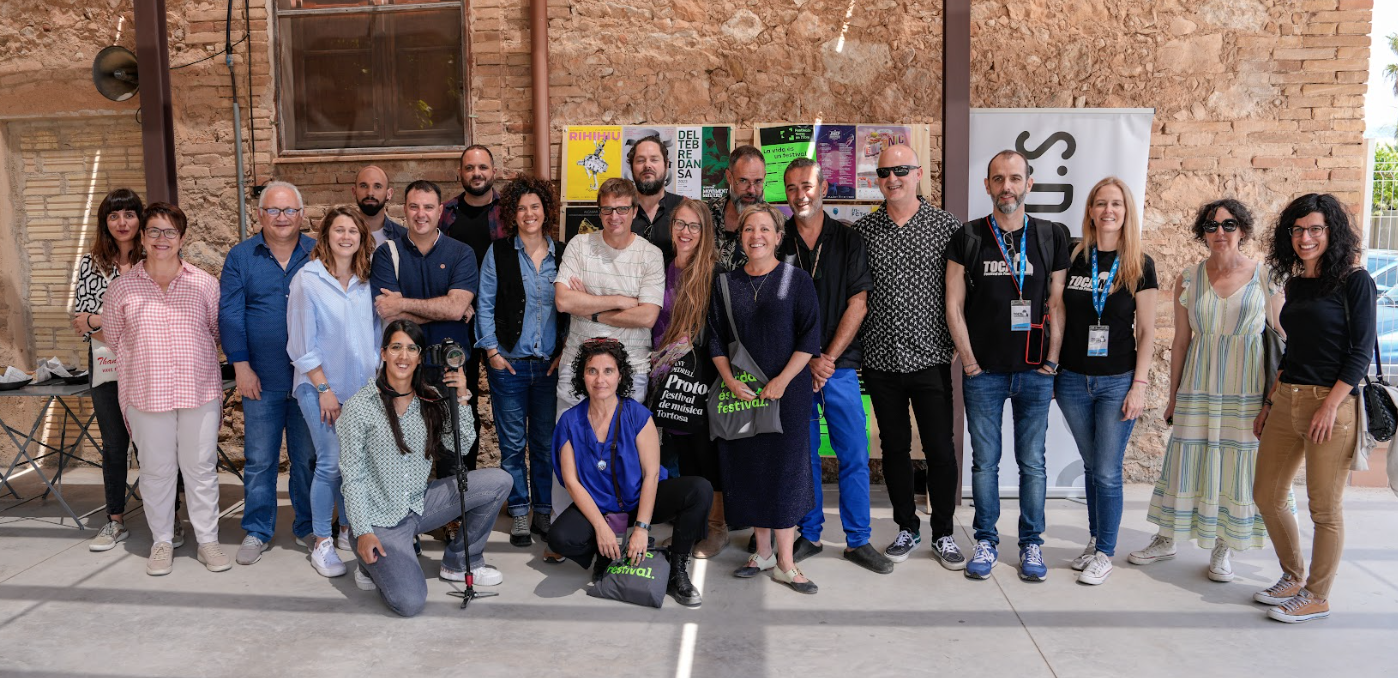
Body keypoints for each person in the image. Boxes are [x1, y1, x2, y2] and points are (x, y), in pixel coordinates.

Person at [1129, 198, 1280, 582]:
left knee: (1236, 464)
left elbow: (1282, 338)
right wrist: (1173, 396)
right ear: (1203, 233)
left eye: (1229, 225)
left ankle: (1222, 546)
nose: (1220, 232)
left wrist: (1274, 398)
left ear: (1242, 230)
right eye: (1211, 226)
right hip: (1198, 384)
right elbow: (1181, 341)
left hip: (1246, 389)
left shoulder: (1265, 277)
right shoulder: (1188, 278)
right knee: (1185, 460)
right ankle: (1167, 537)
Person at [946, 149, 1069, 582]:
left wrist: (1052, 361)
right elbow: (953, 304)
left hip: (1035, 372)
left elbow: (1057, 302)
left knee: (1032, 463)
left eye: (1015, 178)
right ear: (987, 186)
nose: (1007, 187)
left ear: (1028, 184)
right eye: (998, 179)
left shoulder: (1052, 235)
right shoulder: (968, 235)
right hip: (984, 373)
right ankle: (986, 539)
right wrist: (969, 362)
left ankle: (1032, 543)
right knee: (985, 463)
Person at [1252, 193, 1374, 623]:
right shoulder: (1296, 283)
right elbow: (1293, 350)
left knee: (1324, 507)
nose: (1306, 238)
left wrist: (1331, 406)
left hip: (1332, 404)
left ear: (1331, 232)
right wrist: (1270, 402)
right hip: (1287, 397)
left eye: (1315, 229)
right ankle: (1292, 576)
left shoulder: (1355, 281)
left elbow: (1360, 353)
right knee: (1266, 494)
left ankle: (1317, 595)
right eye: (1298, 230)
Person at [337, 320, 511, 618]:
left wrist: (462, 397)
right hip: (380, 520)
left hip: (420, 505)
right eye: (396, 347)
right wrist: (363, 532)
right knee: (410, 602)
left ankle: (459, 562)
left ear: (419, 356)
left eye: (411, 348)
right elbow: (352, 477)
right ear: (383, 353)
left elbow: (461, 446)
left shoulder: (429, 397)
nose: (403, 356)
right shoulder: (360, 406)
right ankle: (368, 563)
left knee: (499, 481)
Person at [102, 202, 229, 576]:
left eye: (170, 231)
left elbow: (216, 333)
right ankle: (161, 541)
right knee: (156, 471)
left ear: (182, 238)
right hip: (146, 392)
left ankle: (207, 540)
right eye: (154, 231)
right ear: (142, 237)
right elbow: (114, 337)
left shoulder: (204, 284)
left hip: (198, 389)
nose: (162, 239)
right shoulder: (122, 289)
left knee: (200, 468)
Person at [779, 158, 891, 574]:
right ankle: (809, 534)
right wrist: (807, 359)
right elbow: (774, 309)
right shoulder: (778, 240)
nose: (800, 194)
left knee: (854, 454)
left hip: (839, 368)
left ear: (823, 188)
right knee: (803, 455)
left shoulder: (848, 239)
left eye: (807, 185)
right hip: (795, 369)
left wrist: (825, 359)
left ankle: (857, 539)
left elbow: (858, 303)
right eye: (792, 188)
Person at [856, 145, 965, 571]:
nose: (892, 178)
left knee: (940, 448)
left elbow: (962, 292)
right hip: (880, 360)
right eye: (884, 172)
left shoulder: (947, 227)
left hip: (931, 358)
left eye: (901, 170)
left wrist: (958, 345)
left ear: (919, 173)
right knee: (894, 448)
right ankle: (906, 526)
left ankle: (943, 532)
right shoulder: (864, 231)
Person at [546, 339, 711, 607]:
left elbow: (651, 475)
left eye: (608, 371)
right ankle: (606, 554)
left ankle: (677, 569)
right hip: (600, 507)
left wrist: (642, 529)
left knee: (699, 490)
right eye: (592, 371)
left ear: (620, 375)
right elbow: (572, 482)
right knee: (559, 538)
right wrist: (601, 528)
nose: (600, 379)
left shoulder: (637, 415)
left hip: (638, 500)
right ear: (582, 376)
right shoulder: (569, 421)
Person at [711, 203, 822, 594]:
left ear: (778, 236)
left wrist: (782, 380)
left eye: (763, 229)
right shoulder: (726, 283)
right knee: (751, 468)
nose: (755, 236)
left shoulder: (797, 280)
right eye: (748, 229)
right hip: (742, 392)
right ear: (740, 237)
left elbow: (810, 337)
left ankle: (786, 563)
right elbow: (715, 338)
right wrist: (729, 380)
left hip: (787, 394)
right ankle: (762, 553)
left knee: (786, 471)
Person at [1053, 178, 1158, 586]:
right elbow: (1058, 312)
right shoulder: (1074, 256)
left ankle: (1105, 553)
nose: (1108, 210)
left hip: (1117, 381)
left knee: (1108, 471)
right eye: (1100, 203)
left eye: (1116, 204)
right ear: (1090, 211)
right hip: (1072, 380)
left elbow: (1146, 331)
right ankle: (1096, 539)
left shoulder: (1139, 264)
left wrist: (1140, 385)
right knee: (1093, 465)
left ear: (1126, 211)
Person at [220, 181, 317, 566]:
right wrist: (241, 366)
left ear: (301, 215)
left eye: (289, 210)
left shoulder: (318, 253)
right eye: (273, 210)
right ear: (260, 214)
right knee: (260, 460)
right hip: (260, 378)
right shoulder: (241, 257)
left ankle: (308, 526)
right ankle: (258, 529)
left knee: (307, 459)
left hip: (309, 379)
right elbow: (230, 314)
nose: (281, 217)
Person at [286, 206, 381, 578]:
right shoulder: (307, 280)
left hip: (361, 389)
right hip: (318, 387)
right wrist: (324, 389)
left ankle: (347, 530)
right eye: (339, 230)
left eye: (353, 231)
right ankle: (321, 542)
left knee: (354, 464)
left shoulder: (366, 279)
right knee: (330, 462)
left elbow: (376, 333)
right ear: (325, 235)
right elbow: (301, 343)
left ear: (361, 237)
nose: (346, 236)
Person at [475, 175, 566, 548]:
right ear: (513, 214)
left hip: (548, 367)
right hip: (509, 366)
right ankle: (518, 511)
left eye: (536, 207)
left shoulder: (563, 253)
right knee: (512, 445)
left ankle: (543, 510)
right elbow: (484, 303)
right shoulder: (498, 252)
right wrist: (492, 353)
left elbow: (571, 309)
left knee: (544, 443)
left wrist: (564, 350)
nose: (529, 213)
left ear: (546, 211)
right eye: (522, 208)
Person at [372, 180, 480, 476]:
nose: (421, 214)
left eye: (428, 207)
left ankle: (449, 506)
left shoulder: (461, 253)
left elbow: (454, 307)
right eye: (414, 206)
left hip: (450, 368)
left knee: (452, 452)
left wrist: (405, 304)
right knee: (401, 450)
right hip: (403, 367)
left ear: (440, 211)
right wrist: (448, 309)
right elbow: (390, 314)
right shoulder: (387, 254)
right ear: (404, 209)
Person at [71, 189, 156, 551]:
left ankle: (166, 518)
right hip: (105, 363)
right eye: (113, 216)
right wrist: (104, 323)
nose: (122, 223)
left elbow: (156, 319)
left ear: (140, 218)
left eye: (129, 214)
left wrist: (100, 320)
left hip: (150, 362)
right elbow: (80, 320)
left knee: (154, 442)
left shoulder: (156, 256)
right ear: (104, 222)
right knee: (113, 443)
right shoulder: (92, 263)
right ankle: (115, 519)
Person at [648, 197, 725, 556]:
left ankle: (716, 528)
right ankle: (692, 527)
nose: (686, 231)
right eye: (680, 223)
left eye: (694, 225)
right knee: (682, 455)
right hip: (666, 378)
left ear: (704, 231)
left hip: (699, 377)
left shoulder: (713, 273)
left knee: (705, 454)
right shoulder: (663, 267)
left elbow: (720, 330)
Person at [553, 177, 665, 413]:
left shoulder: (650, 255)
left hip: (630, 369)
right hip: (577, 366)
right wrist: (619, 302)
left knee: (622, 437)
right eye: (607, 209)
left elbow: (646, 317)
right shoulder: (579, 245)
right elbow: (563, 301)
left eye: (622, 209)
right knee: (572, 436)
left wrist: (590, 311)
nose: (614, 216)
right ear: (600, 211)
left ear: (634, 211)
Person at [439, 146, 508, 464]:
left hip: (500, 321)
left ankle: (507, 482)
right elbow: (435, 261)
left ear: (494, 172)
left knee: (506, 404)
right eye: (469, 168)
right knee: (459, 400)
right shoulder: (446, 213)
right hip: (458, 322)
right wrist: (457, 301)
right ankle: (461, 480)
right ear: (460, 173)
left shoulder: (509, 210)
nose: (476, 173)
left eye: (482, 167)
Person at [707, 145, 767, 271]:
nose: (751, 190)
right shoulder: (706, 214)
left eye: (758, 181)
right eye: (743, 181)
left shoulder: (778, 223)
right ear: (729, 177)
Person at [628, 133, 683, 256]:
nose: (647, 165)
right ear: (631, 167)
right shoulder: (620, 211)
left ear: (666, 165)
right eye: (640, 160)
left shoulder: (683, 207)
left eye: (654, 159)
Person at [352, 165, 406, 248]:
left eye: (377, 187)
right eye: (363, 186)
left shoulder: (405, 238)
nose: (370, 193)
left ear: (389, 194)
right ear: (354, 192)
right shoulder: (341, 237)